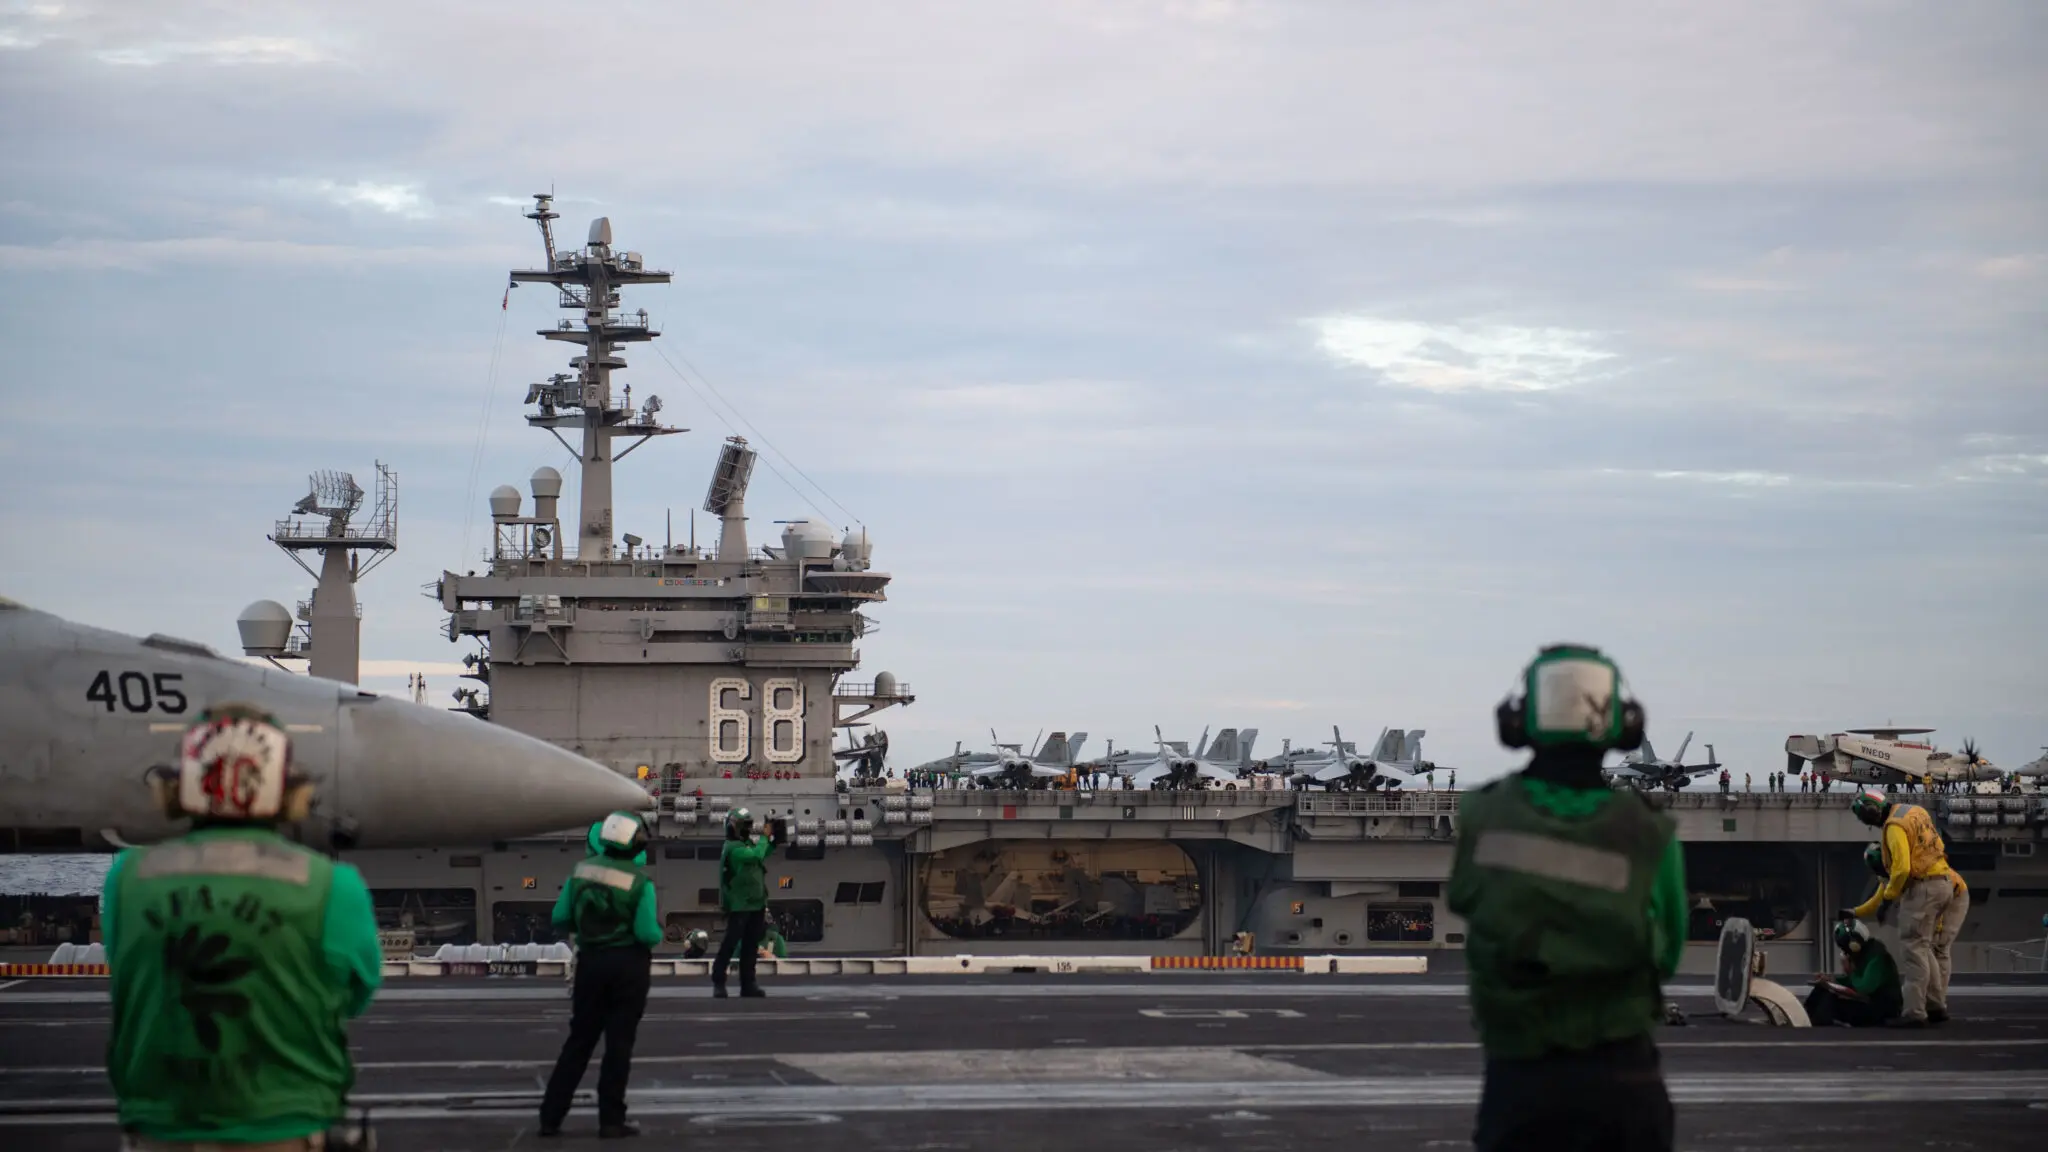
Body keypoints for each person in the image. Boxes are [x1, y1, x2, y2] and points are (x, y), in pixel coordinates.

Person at [105, 705, 382, 1151]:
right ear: (287, 790)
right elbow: (354, 996)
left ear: (179, 786)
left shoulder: (127, 879)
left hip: (161, 1126)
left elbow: (130, 977)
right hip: (286, 1123)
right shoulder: (333, 886)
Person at [1449, 644, 1684, 1152]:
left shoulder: (1481, 815)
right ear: (1624, 724)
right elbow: (1667, 955)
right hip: (1624, 1081)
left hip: (1520, 1082)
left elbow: (1465, 901)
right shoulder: (1649, 831)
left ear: (1518, 722)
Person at [539, 811, 660, 1138]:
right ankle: (611, 1120)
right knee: (619, 1045)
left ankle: (550, 1117)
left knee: (579, 1041)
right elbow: (647, 933)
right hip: (628, 966)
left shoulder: (580, 872)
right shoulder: (640, 882)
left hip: (590, 963)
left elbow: (560, 918)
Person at [1849, 787, 1970, 1027]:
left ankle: (1914, 1012)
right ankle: (1935, 1005)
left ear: (1871, 811)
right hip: (1944, 881)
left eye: (1865, 817)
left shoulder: (1893, 827)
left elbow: (1902, 868)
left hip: (1923, 887)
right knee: (1924, 947)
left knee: (1913, 948)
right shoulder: (1915, 810)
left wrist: (1888, 899)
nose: (1867, 823)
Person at [712, 807, 781, 998]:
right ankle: (719, 981)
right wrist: (765, 837)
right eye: (745, 826)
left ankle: (748, 983)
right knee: (730, 943)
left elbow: (760, 855)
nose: (748, 829)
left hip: (756, 903)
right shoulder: (733, 848)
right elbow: (756, 855)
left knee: (751, 945)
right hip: (740, 904)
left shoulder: (745, 844)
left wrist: (774, 842)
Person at [1805, 916, 1903, 1027]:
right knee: (1821, 990)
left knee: (1831, 1002)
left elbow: (1863, 989)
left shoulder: (1877, 959)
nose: (1844, 953)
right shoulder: (1864, 954)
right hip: (1872, 1003)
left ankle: (1817, 1026)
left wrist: (1851, 972)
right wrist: (1832, 980)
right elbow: (1855, 982)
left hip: (1883, 1010)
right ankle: (1805, 1017)